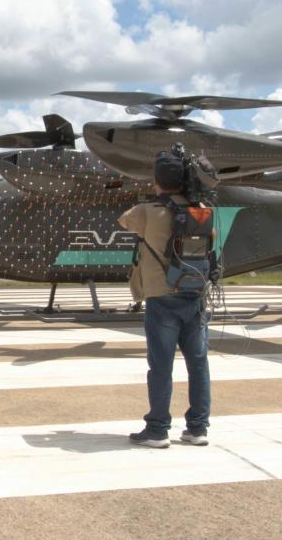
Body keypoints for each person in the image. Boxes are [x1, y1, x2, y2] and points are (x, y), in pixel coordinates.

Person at [118, 152, 211, 448]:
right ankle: (198, 428)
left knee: (161, 364)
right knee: (198, 364)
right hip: (195, 296)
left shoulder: (147, 211)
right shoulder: (203, 210)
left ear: (158, 179)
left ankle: (158, 429)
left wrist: (153, 195)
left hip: (162, 298)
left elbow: (123, 220)